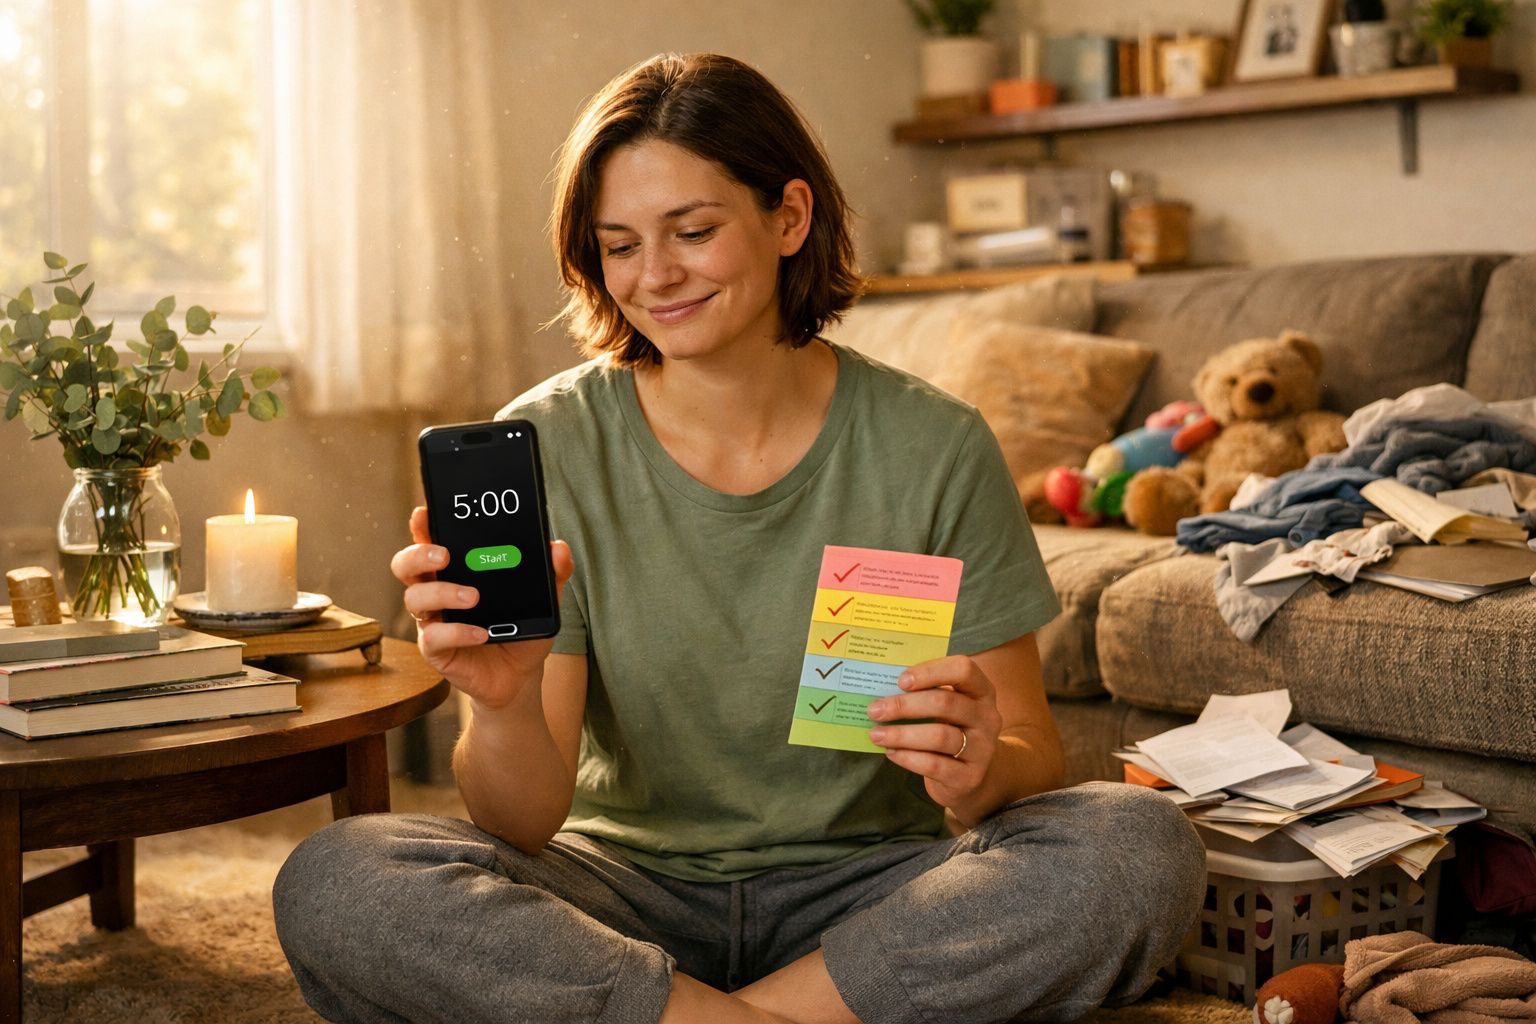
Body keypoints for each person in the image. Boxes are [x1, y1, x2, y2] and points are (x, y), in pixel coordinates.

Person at [273, 52, 1205, 1024]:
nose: (655, 275)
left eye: (694, 230)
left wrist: (980, 763)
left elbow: (1027, 750)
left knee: (1137, 843)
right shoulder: (550, 445)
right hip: (618, 896)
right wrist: (501, 707)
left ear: (790, 217)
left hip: (872, 894)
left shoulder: (932, 445)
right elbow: (522, 824)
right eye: (620, 244)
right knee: (340, 877)